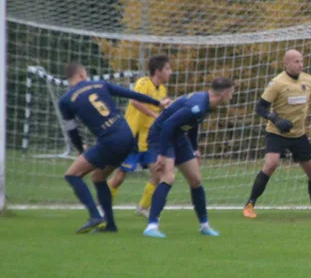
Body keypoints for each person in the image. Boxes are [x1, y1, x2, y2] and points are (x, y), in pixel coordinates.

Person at [56, 62, 167, 233]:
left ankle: (95, 215)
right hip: (128, 137)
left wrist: (80, 149)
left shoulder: (65, 101)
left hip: (110, 141)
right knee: (98, 177)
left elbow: (72, 131)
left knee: (72, 175)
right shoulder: (101, 84)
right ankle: (110, 225)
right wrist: (158, 103)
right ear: (82, 74)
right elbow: (132, 94)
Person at [142, 77, 235, 238]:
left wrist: (194, 149)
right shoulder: (197, 105)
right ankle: (151, 226)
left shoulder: (206, 104)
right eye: (232, 93)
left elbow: (192, 125)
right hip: (161, 136)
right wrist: (162, 154)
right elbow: (167, 125)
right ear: (225, 93)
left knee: (196, 179)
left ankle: (204, 225)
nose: (232, 97)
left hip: (178, 136)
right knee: (168, 177)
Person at [243, 49, 311, 219]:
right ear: (287, 64)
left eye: (302, 61)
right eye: (296, 61)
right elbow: (260, 108)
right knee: (271, 164)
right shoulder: (277, 83)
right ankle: (250, 204)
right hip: (277, 133)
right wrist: (275, 119)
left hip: (298, 134)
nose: (301, 64)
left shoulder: (309, 80)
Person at [108, 54, 172, 217]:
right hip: (133, 137)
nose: (170, 72)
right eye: (167, 69)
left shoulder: (163, 89)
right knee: (120, 176)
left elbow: (161, 111)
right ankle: (104, 206)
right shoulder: (143, 83)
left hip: (150, 140)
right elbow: (134, 102)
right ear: (157, 71)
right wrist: (155, 114)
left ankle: (142, 207)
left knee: (158, 175)